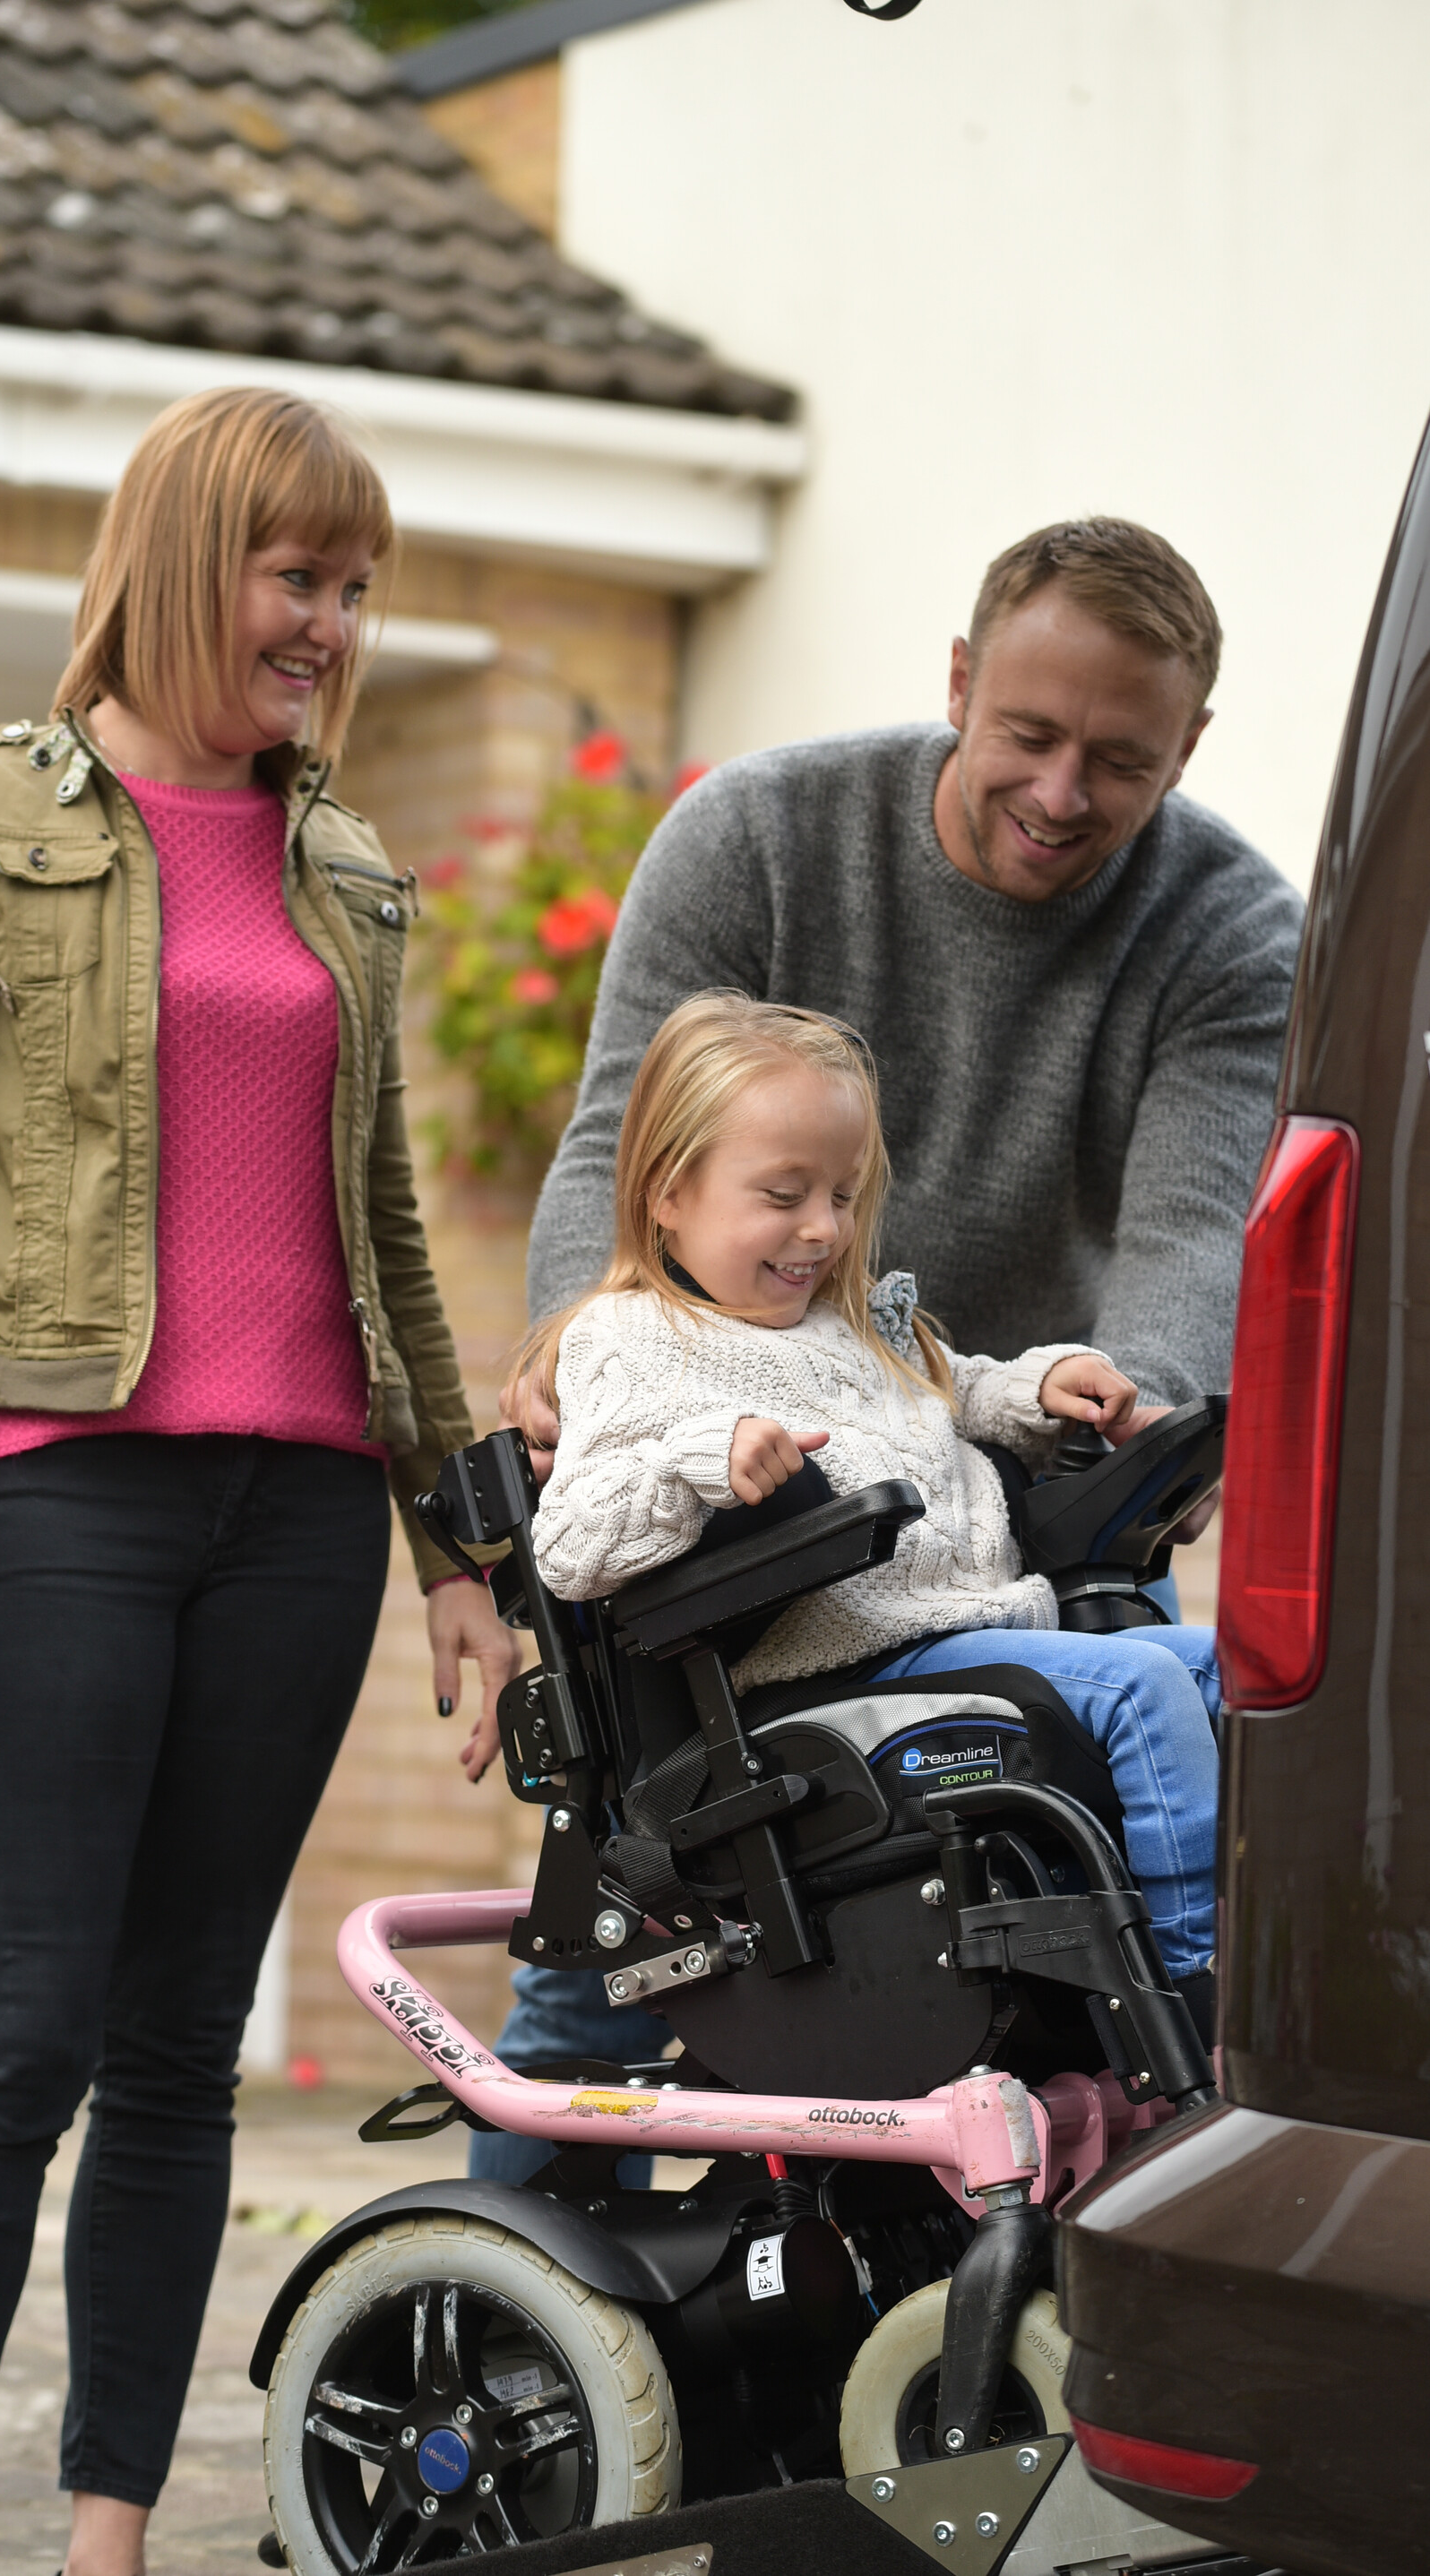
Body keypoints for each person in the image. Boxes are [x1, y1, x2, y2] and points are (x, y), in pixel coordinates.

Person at [0, 387, 520, 2576]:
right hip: (56, 1491)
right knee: (17, 2035)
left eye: (357, 586)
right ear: (190, 555)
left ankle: (111, 2532)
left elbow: (384, 1233)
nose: (330, 621)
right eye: (296, 574)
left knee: (184, 2043)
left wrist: (458, 1550)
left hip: (293, 1515)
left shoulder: (354, 866)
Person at [472, 515, 1300, 2177]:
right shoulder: (757, 841)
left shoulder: (1222, 930)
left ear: (1186, 750)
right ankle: (525, 2229)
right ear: (955, 685)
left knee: (1147, 1765)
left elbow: (1183, 1248)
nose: (1060, 793)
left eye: (1117, 761)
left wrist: (1122, 1427)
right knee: (645, 1915)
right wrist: (596, 1373)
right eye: (1027, 736)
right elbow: (613, 1155)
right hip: (746, 1472)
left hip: (976, 1456)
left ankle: (1114, 2166)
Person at [522, 991, 1219, 1983]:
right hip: (848, 1675)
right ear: (666, 1192)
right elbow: (573, 1546)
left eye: (844, 1196)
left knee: (1239, 1668)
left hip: (983, 1636)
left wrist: (1036, 1389)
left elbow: (953, 1387)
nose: (822, 1228)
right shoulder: (632, 1339)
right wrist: (701, 1463)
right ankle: (1200, 1983)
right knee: (1145, 1687)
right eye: (783, 1194)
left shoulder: (851, 1323)